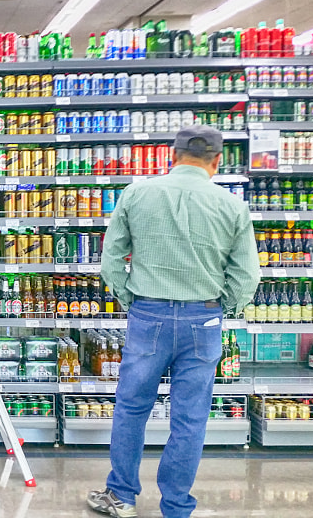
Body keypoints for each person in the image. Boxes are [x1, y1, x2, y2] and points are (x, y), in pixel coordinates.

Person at [87, 126, 260, 518]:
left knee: (131, 407)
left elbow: (111, 259)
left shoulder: (137, 193)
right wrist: (221, 308)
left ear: (172, 155)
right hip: (204, 318)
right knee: (190, 415)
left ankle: (122, 498)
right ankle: (177, 507)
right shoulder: (232, 206)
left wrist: (129, 296)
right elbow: (247, 276)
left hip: (148, 315)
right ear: (216, 161)